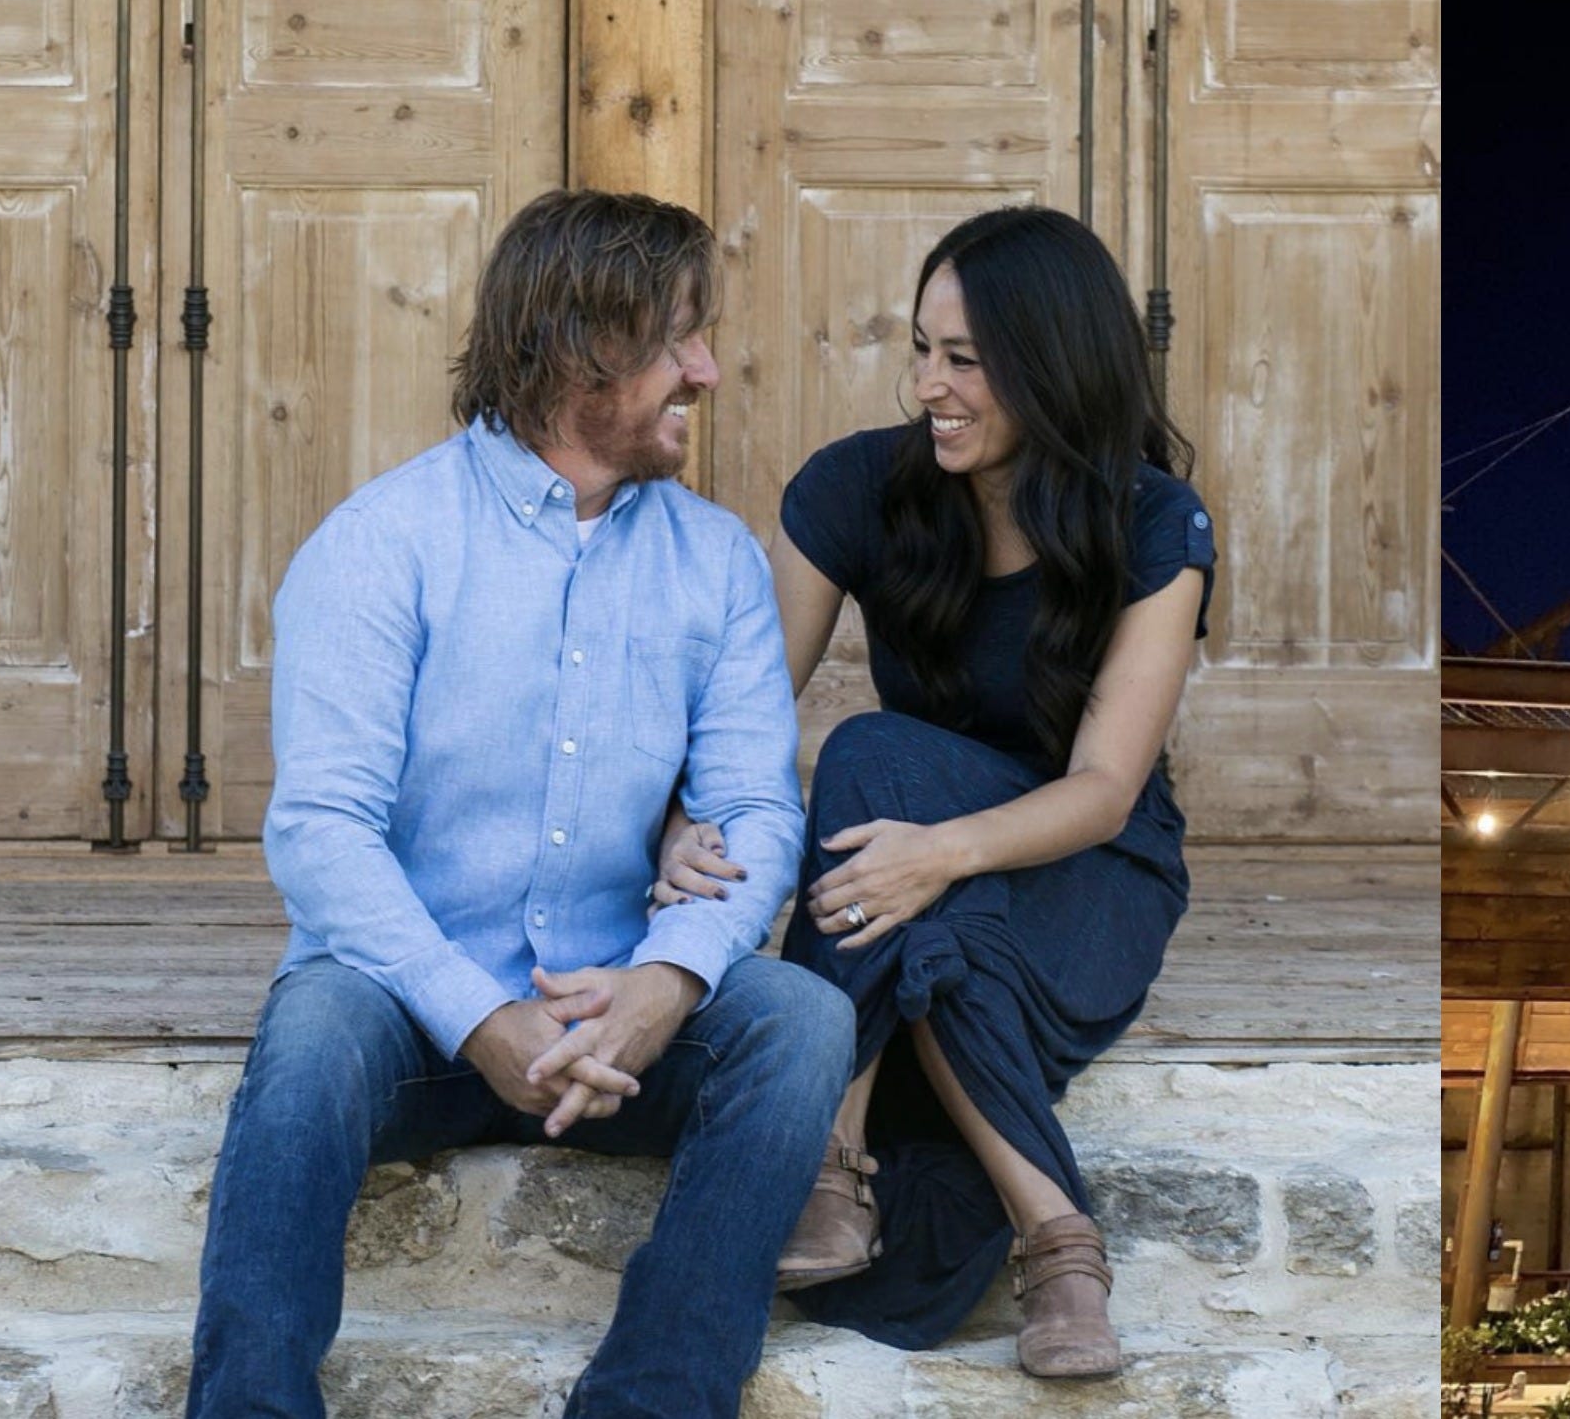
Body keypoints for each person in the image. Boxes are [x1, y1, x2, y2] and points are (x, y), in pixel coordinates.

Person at [189, 189, 852, 1419]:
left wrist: (667, 981)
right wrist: (473, 1010)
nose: (705, 371)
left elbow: (758, 808)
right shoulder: (382, 544)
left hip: (614, 1011)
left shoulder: (714, 563)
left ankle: (652, 1402)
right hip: (411, 1004)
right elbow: (320, 831)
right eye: (677, 340)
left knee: (799, 1022)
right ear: (575, 348)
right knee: (312, 1030)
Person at [651, 205, 1212, 1377]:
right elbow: (744, 722)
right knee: (886, 793)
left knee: (877, 768)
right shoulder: (855, 491)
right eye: (920, 350)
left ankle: (827, 1164)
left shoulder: (1156, 524)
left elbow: (1108, 789)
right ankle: (1057, 1240)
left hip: (1088, 872)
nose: (929, 386)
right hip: (913, 869)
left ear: (1053, 368)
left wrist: (941, 852)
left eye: (964, 361)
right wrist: (674, 821)